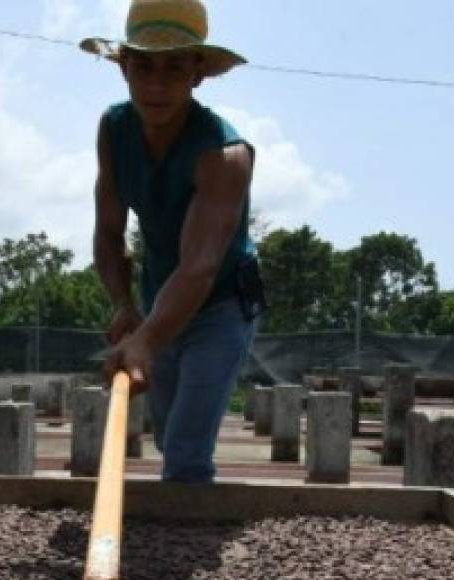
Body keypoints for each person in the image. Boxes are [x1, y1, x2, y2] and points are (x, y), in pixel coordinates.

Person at [82, 0, 264, 484]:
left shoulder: (224, 155)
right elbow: (108, 231)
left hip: (221, 302)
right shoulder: (114, 128)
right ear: (124, 67)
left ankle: (182, 549)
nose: (156, 84)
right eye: (143, 66)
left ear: (197, 73)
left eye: (174, 67)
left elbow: (200, 266)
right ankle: (175, 520)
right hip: (158, 294)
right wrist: (124, 306)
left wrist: (145, 340)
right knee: (166, 433)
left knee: (184, 449)